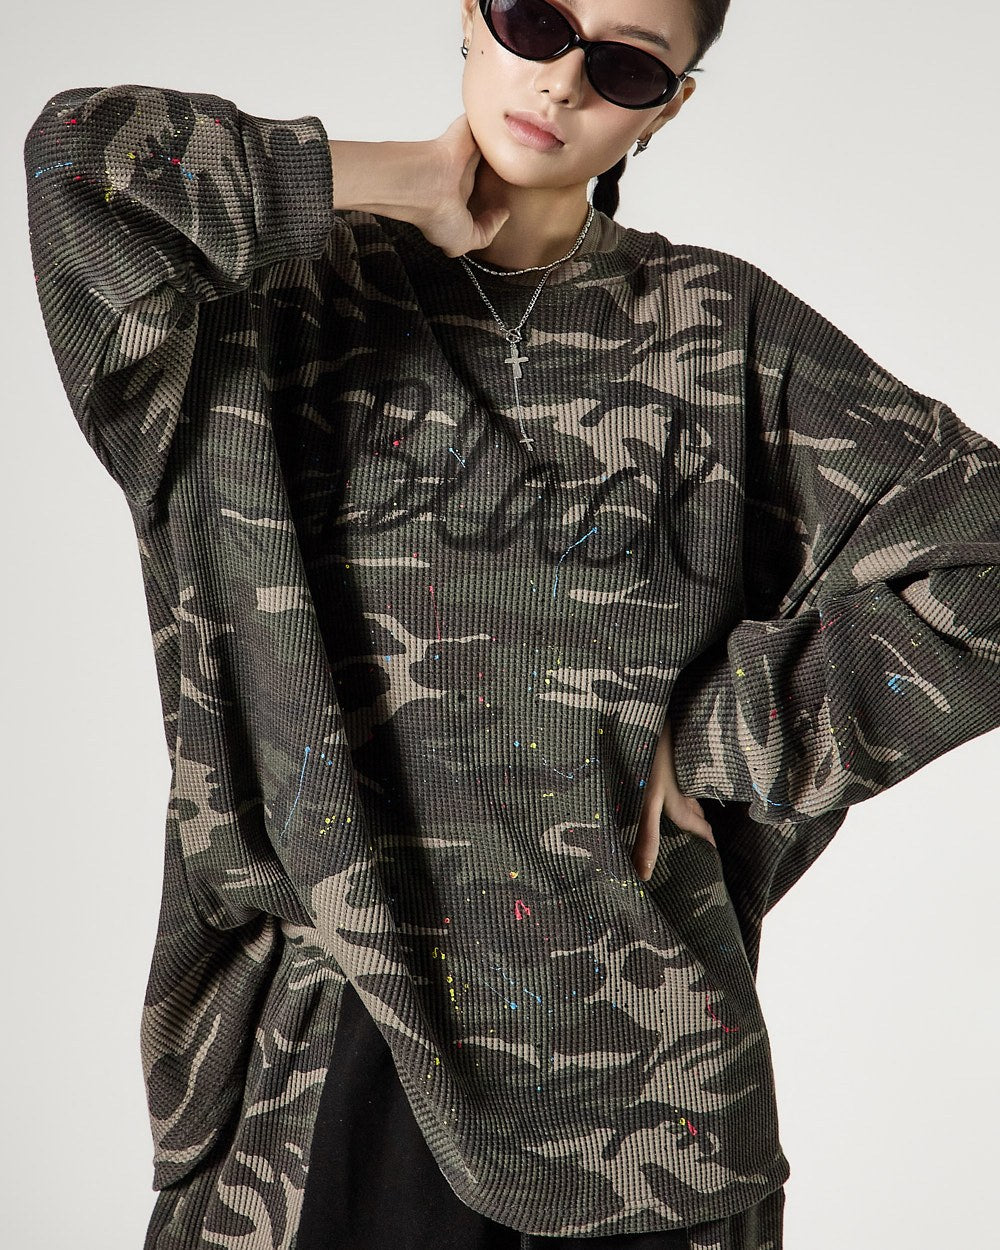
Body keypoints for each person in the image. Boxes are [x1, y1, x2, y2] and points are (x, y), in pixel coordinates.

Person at [22, 2, 1000, 1249]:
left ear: (669, 106)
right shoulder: (269, 307)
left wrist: (735, 732)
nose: (563, 78)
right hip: (333, 1053)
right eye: (537, 19)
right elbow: (79, 161)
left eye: (627, 62)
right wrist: (397, 178)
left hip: (648, 1088)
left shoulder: (723, 331)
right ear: (472, 20)